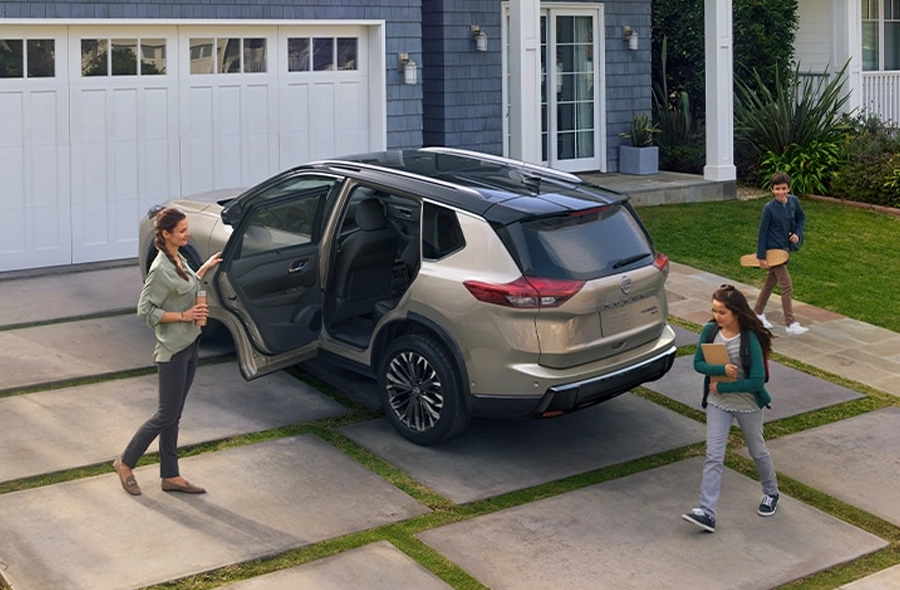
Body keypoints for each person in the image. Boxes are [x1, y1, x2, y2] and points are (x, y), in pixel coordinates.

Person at [113, 207, 222, 496]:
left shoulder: (178, 257)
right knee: (165, 414)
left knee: (174, 414)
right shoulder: (160, 268)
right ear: (166, 234)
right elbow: (145, 310)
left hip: (190, 344)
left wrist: (204, 268)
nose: (187, 234)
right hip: (173, 350)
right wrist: (184, 316)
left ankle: (170, 475)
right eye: (183, 231)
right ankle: (125, 462)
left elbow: (184, 285)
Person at [682, 284, 779, 533]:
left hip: (747, 405)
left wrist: (725, 386)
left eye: (721, 312)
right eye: (714, 310)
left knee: (757, 451)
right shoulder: (710, 330)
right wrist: (720, 371)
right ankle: (707, 512)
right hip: (718, 404)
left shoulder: (751, 339)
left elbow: (757, 380)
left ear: (736, 312)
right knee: (713, 455)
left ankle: (771, 492)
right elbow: (698, 363)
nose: (716, 316)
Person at [753, 171, 808, 335]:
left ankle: (757, 313)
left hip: (784, 249)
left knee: (770, 283)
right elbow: (762, 233)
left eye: (783, 188)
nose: (780, 192)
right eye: (777, 189)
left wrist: (797, 233)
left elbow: (800, 218)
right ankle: (790, 323)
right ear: (772, 190)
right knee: (786, 286)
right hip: (773, 251)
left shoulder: (793, 202)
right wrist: (761, 256)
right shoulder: (769, 209)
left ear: (789, 189)